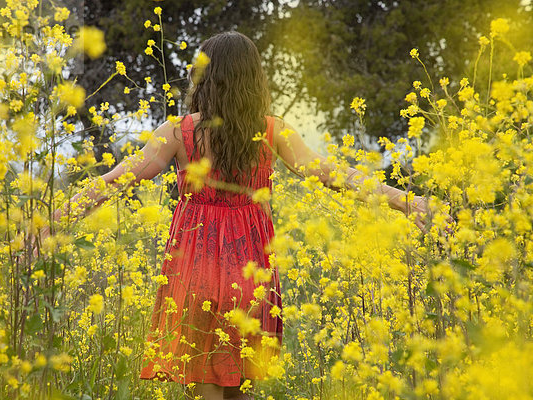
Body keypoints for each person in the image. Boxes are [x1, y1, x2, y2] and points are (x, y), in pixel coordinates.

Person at [36, 31, 447, 400]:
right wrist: (404, 200)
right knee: (239, 387)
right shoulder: (271, 130)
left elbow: (113, 181)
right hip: (251, 267)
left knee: (208, 386)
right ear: (254, 79)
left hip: (196, 261)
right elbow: (332, 173)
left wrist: (51, 222)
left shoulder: (178, 132)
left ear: (203, 77)